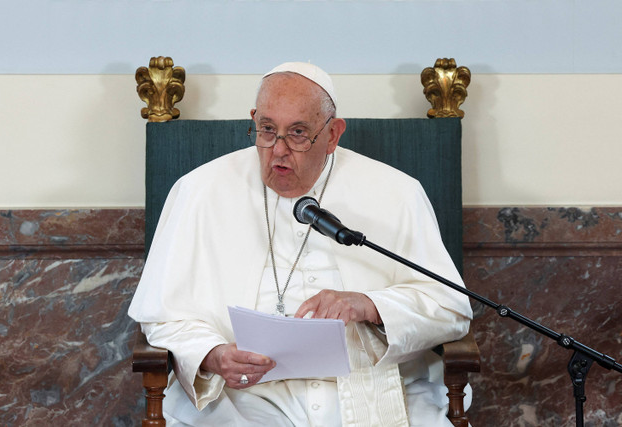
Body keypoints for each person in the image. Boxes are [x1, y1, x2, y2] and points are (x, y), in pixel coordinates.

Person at [128, 62, 473, 426]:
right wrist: (212, 355)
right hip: (243, 394)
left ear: (333, 134)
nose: (277, 150)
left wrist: (370, 304)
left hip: (372, 383)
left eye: (297, 133)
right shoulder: (198, 192)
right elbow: (163, 315)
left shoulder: (397, 192)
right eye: (266, 129)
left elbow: (450, 309)